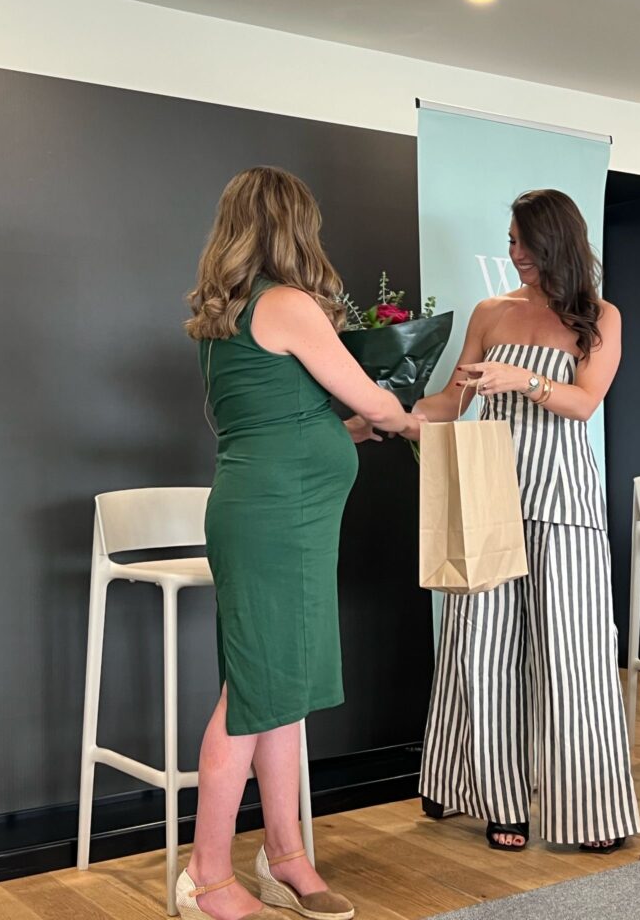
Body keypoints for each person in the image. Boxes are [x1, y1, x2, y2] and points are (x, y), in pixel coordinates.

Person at [180, 166, 419, 920]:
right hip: (274, 518)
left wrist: (341, 433)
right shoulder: (286, 304)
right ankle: (205, 878)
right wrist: (408, 421)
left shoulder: (230, 316)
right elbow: (375, 400)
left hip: (283, 514)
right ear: (292, 226)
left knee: (282, 691)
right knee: (254, 694)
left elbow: (277, 419)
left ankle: (285, 859)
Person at [416, 189, 640, 853]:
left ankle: (590, 809)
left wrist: (524, 381)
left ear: (555, 242)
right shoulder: (491, 313)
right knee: (481, 650)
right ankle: (498, 801)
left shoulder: (599, 317)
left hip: (565, 501)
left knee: (575, 655)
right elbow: (451, 402)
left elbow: (584, 402)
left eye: (523, 243)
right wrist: (389, 411)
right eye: (511, 242)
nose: (514, 253)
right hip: (489, 498)